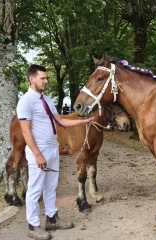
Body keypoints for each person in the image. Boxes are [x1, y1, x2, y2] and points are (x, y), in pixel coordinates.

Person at [16, 64, 94, 240]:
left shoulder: (47, 99)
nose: (46, 81)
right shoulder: (26, 101)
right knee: (35, 189)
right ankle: (33, 226)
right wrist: (37, 154)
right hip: (39, 150)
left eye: (46, 78)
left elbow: (61, 122)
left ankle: (52, 219)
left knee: (51, 187)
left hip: (52, 148)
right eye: (43, 78)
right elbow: (26, 132)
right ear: (32, 79)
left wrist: (83, 121)